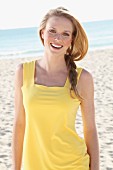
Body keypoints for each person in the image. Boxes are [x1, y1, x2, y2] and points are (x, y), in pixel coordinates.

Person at [12, 7, 99, 170]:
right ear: (42, 33)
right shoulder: (23, 73)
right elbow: (19, 124)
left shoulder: (83, 79)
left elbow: (90, 129)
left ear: (72, 39)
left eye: (66, 34)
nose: (58, 38)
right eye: (52, 31)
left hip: (74, 164)